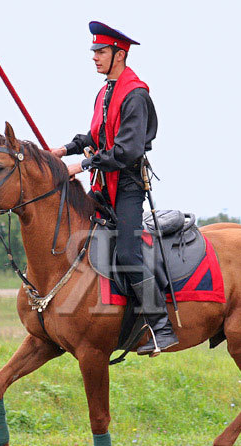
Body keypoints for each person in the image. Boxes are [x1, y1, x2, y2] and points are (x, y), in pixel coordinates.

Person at [50, 21, 178, 355]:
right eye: (94, 51)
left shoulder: (136, 94)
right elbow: (97, 136)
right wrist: (64, 150)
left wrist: (83, 165)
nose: (95, 57)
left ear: (119, 55)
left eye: (101, 52)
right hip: (104, 186)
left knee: (129, 252)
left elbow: (127, 149)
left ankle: (162, 327)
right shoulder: (106, 91)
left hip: (129, 187)